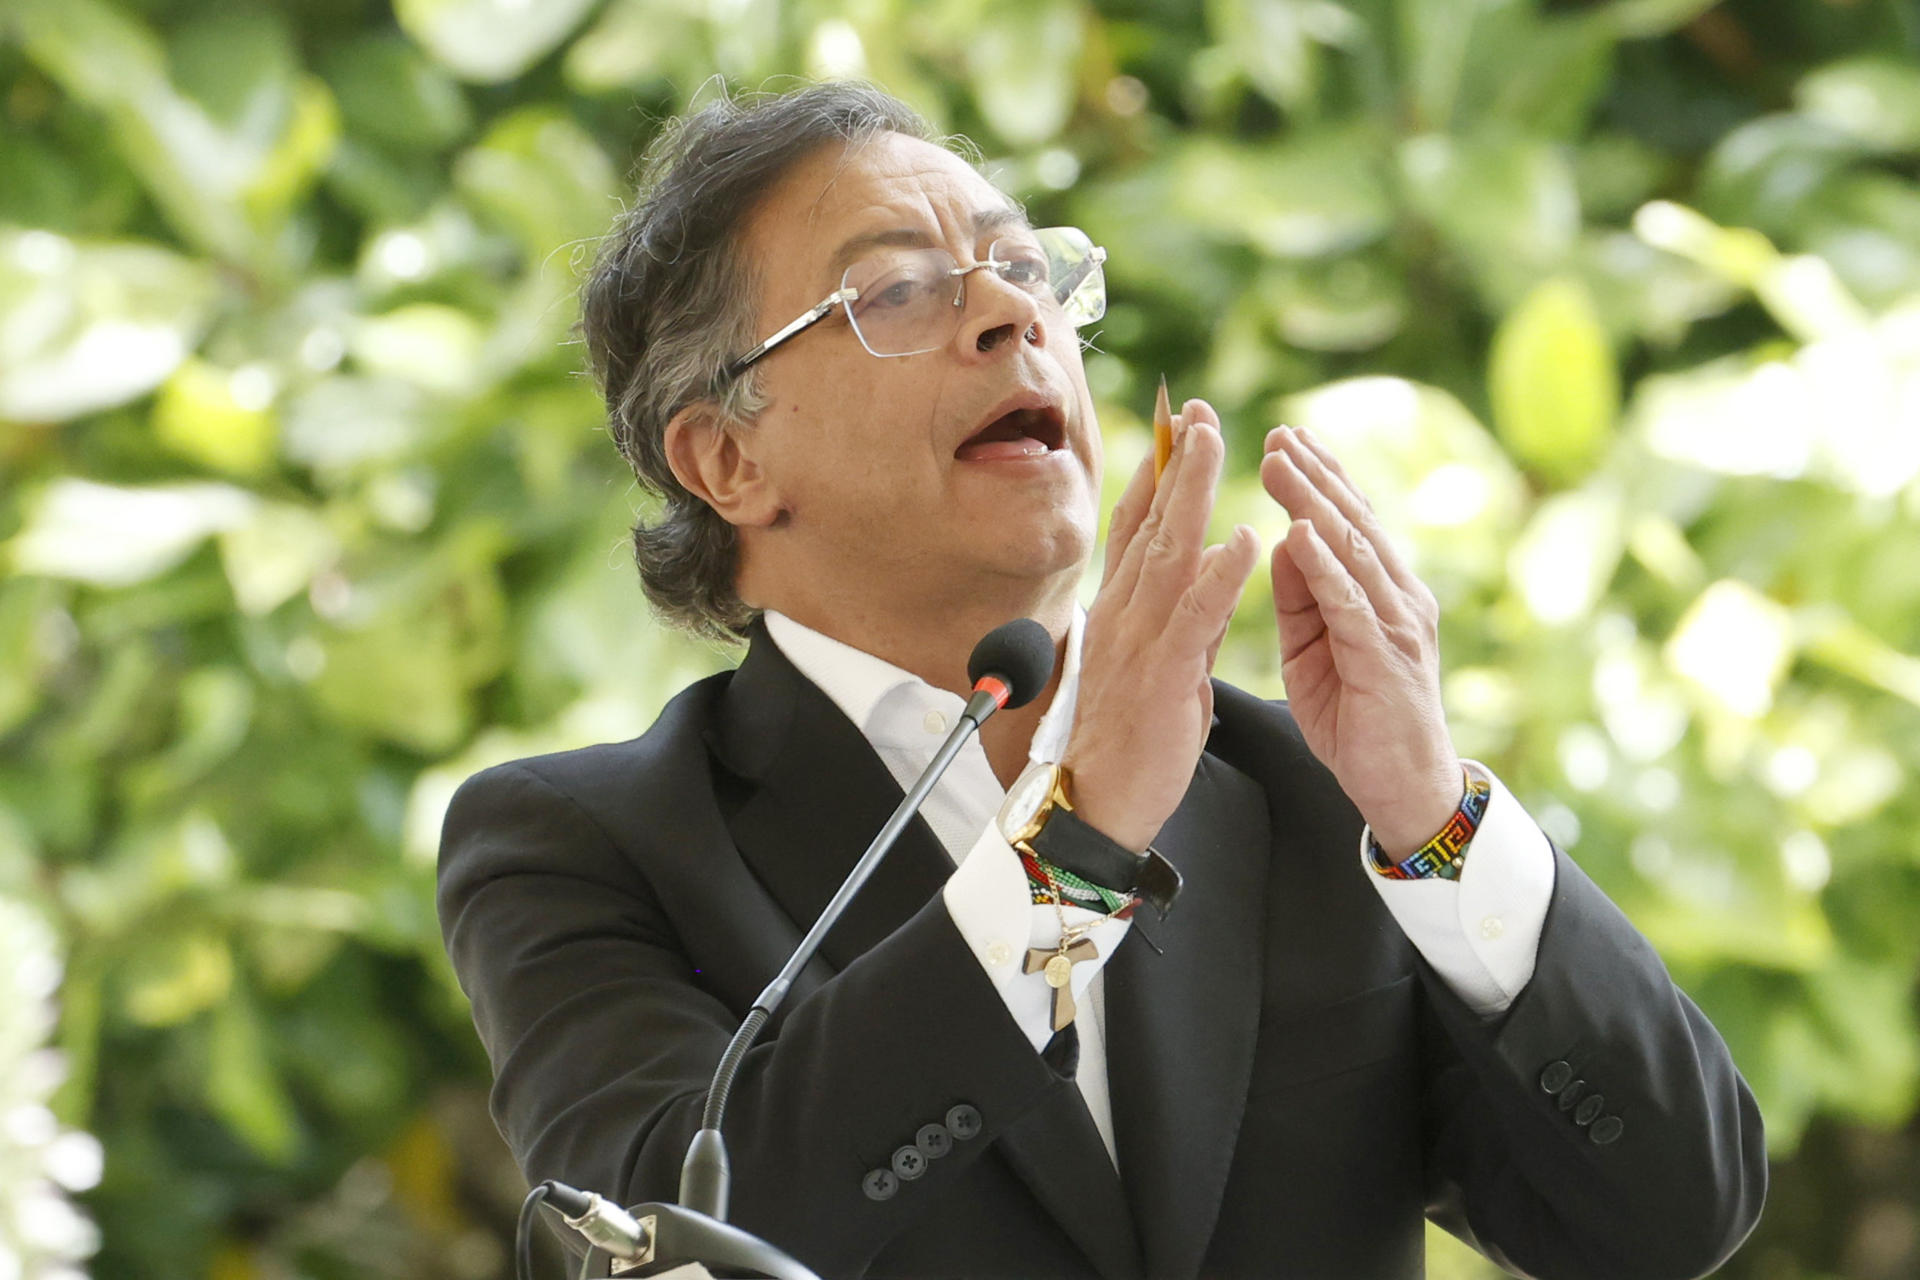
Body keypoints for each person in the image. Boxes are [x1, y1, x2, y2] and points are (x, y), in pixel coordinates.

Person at [437, 82, 1765, 1279]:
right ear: (729, 461)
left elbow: (1667, 1222)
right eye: (900, 289)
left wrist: (1439, 817)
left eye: (1026, 269)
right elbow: (677, 1243)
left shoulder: (1318, 795)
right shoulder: (581, 844)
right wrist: (1076, 856)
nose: (1011, 313)